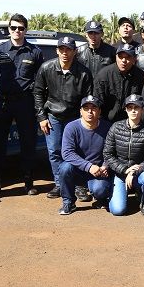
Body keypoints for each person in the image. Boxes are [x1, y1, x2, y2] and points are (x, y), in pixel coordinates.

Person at [0, 13, 44, 195]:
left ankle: (28, 182)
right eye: (13, 28)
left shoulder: (34, 52)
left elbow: (40, 79)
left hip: (25, 103)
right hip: (3, 102)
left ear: (25, 30)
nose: (17, 31)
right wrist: (0, 85)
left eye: (20, 28)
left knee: (28, 142)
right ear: (9, 29)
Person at [34, 35, 94, 199]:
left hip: (75, 118)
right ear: (57, 51)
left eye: (68, 49)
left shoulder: (83, 73)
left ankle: (80, 186)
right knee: (55, 151)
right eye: (62, 49)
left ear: (75, 52)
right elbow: (38, 92)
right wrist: (41, 117)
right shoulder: (46, 67)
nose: (65, 53)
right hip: (53, 116)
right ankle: (60, 185)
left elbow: (88, 98)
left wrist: (85, 119)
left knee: (79, 152)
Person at [103, 94, 144, 216]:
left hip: (139, 172)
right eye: (130, 107)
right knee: (118, 210)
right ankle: (119, 192)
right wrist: (125, 170)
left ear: (142, 110)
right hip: (120, 172)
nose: (133, 110)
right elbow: (107, 154)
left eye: (136, 107)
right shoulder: (116, 127)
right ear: (126, 110)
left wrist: (134, 171)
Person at [57, 95, 112, 215]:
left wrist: (105, 166)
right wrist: (88, 166)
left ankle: (100, 199)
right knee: (64, 168)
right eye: (86, 108)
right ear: (80, 111)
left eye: (93, 108)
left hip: (98, 171)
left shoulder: (107, 127)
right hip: (78, 170)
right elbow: (67, 153)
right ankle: (68, 202)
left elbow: (113, 151)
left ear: (99, 111)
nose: (90, 111)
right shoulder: (71, 127)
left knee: (100, 190)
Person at [94, 43, 144, 125]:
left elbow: (143, 102)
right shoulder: (104, 75)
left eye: (128, 57)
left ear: (134, 59)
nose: (123, 60)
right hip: (106, 122)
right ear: (116, 57)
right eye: (120, 57)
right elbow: (97, 102)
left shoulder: (140, 76)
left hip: (131, 123)